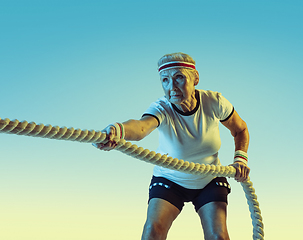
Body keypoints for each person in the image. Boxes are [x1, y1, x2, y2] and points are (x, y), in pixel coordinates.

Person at [93, 52, 250, 240]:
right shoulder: (161, 107)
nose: (172, 87)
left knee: (218, 236)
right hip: (170, 180)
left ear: (195, 79)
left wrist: (240, 158)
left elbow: (240, 129)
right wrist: (117, 130)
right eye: (165, 80)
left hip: (209, 179)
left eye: (179, 78)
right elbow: (141, 127)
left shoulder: (214, 102)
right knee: (152, 231)